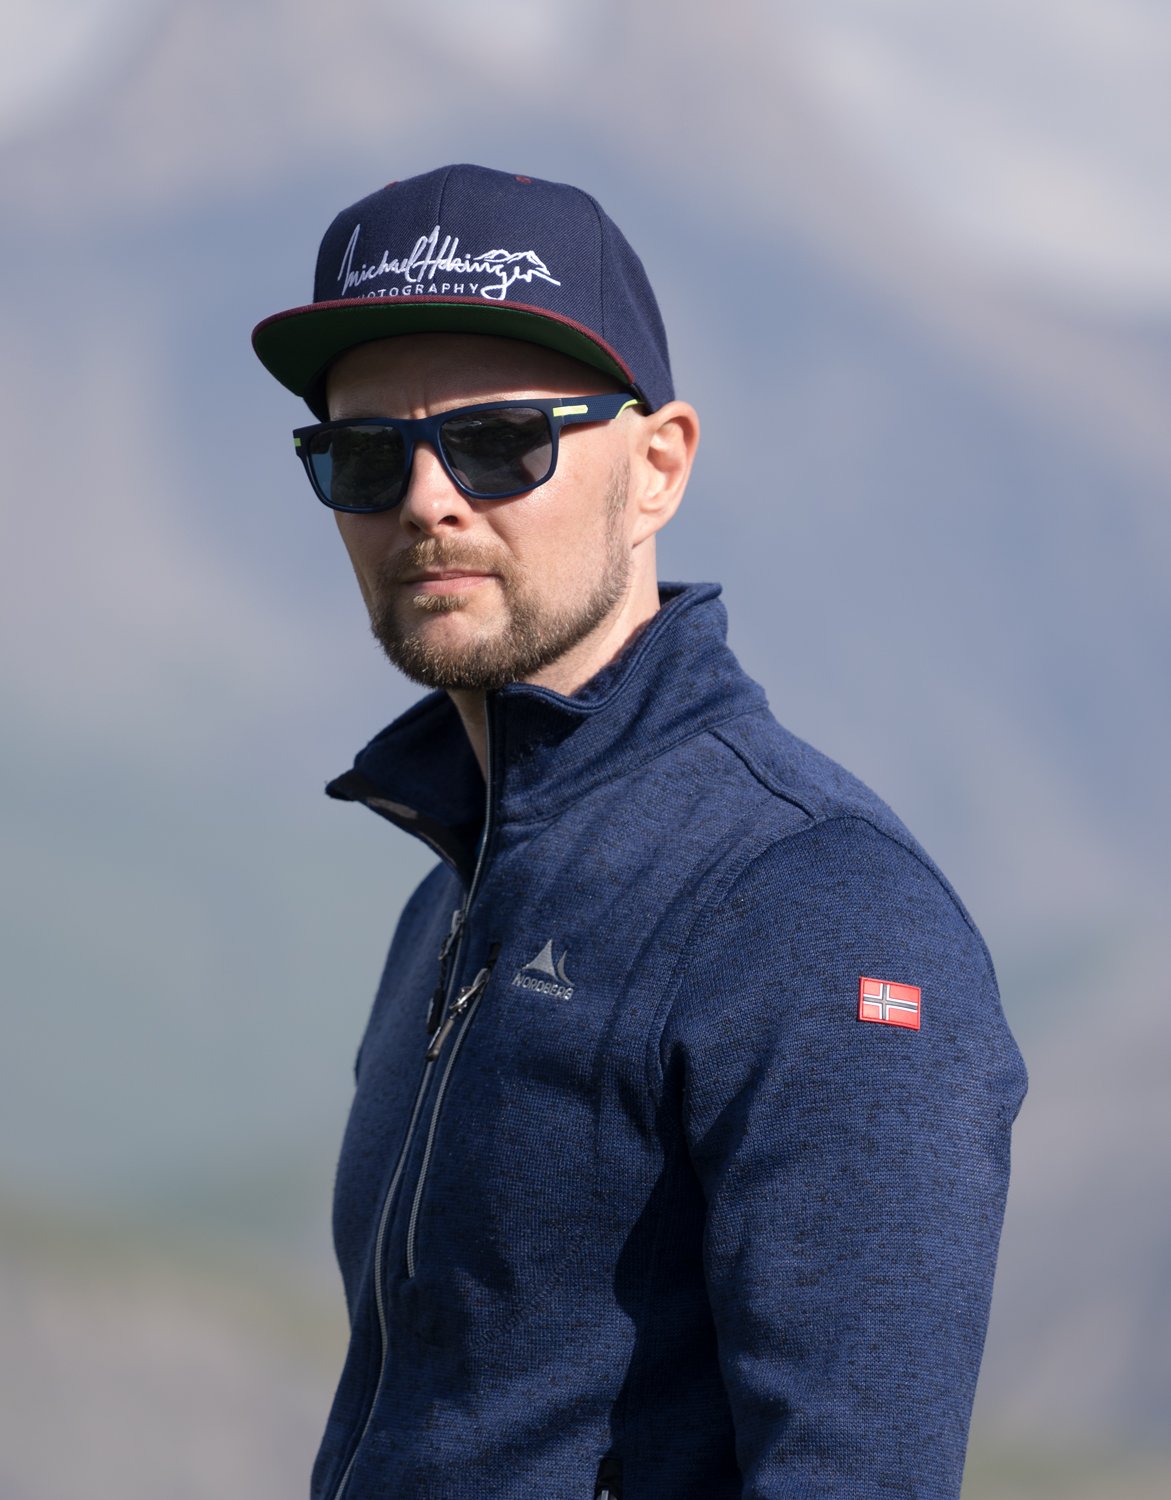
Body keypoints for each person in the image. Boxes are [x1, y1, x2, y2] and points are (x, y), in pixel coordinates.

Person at [252, 163, 1027, 1500]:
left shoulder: (816, 909)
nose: (428, 503)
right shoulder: (456, 892)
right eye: (365, 458)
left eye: (503, 444)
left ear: (658, 466)